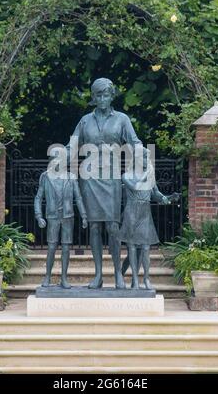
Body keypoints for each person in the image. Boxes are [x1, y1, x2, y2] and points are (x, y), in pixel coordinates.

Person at [66, 78, 142, 289]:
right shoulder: (85, 121)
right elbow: (72, 145)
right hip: (89, 179)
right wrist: (58, 156)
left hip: (112, 179)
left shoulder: (122, 119)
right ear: (93, 97)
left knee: (113, 227)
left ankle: (118, 273)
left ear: (111, 96)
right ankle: (98, 275)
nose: (102, 99)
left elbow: (134, 142)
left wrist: (141, 154)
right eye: (98, 95)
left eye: (106, 95)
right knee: (95, 227)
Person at [34, 146, 87, 288]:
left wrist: (84, 215)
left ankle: (64, 278)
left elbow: (79, 198)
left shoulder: (71, 177)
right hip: (52, 216)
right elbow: (38, 198)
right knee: (51, 247)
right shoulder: (45, 177)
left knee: (66, 248)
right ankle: (47, 277)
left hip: (68, 216)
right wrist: (39, 216)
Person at [119, 149, 170, 289]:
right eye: (145, 157)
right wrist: (146, 175)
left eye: (148, 157)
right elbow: (135, 188)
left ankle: (146, 278)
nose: (148, 160)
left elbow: (156, 193)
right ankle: (135, 280)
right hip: (131, 212)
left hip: (144, 212)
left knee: (146, 248)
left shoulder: (150, 176)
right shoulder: (126, 175)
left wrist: (165, 198)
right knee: (132, 248)